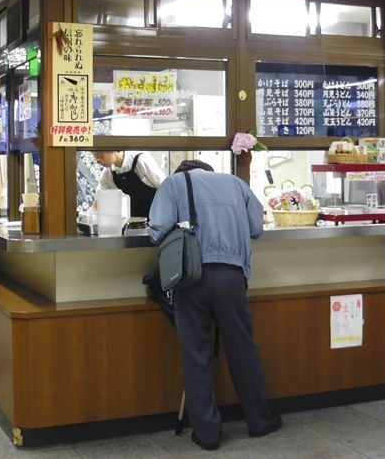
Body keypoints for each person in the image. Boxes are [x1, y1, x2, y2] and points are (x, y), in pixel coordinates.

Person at [149, 159, 281, 450]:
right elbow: (257, 228)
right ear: (209, 171)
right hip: (232, 276)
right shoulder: (236, 184)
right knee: (243, 348)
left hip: (192, 277)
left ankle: (207, 434)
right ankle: (260, 421)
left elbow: (157, 231)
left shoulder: (174, 184)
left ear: (184, 172)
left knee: (196, 354)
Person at [94, 150, 167, 218]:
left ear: (112, 149)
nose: (97, 160)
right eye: (94, 156)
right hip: (135, 220)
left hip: (158, 215)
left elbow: (166, 188)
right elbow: (99, 201)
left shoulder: (141, 160)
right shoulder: (107, 173)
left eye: (98, 154)